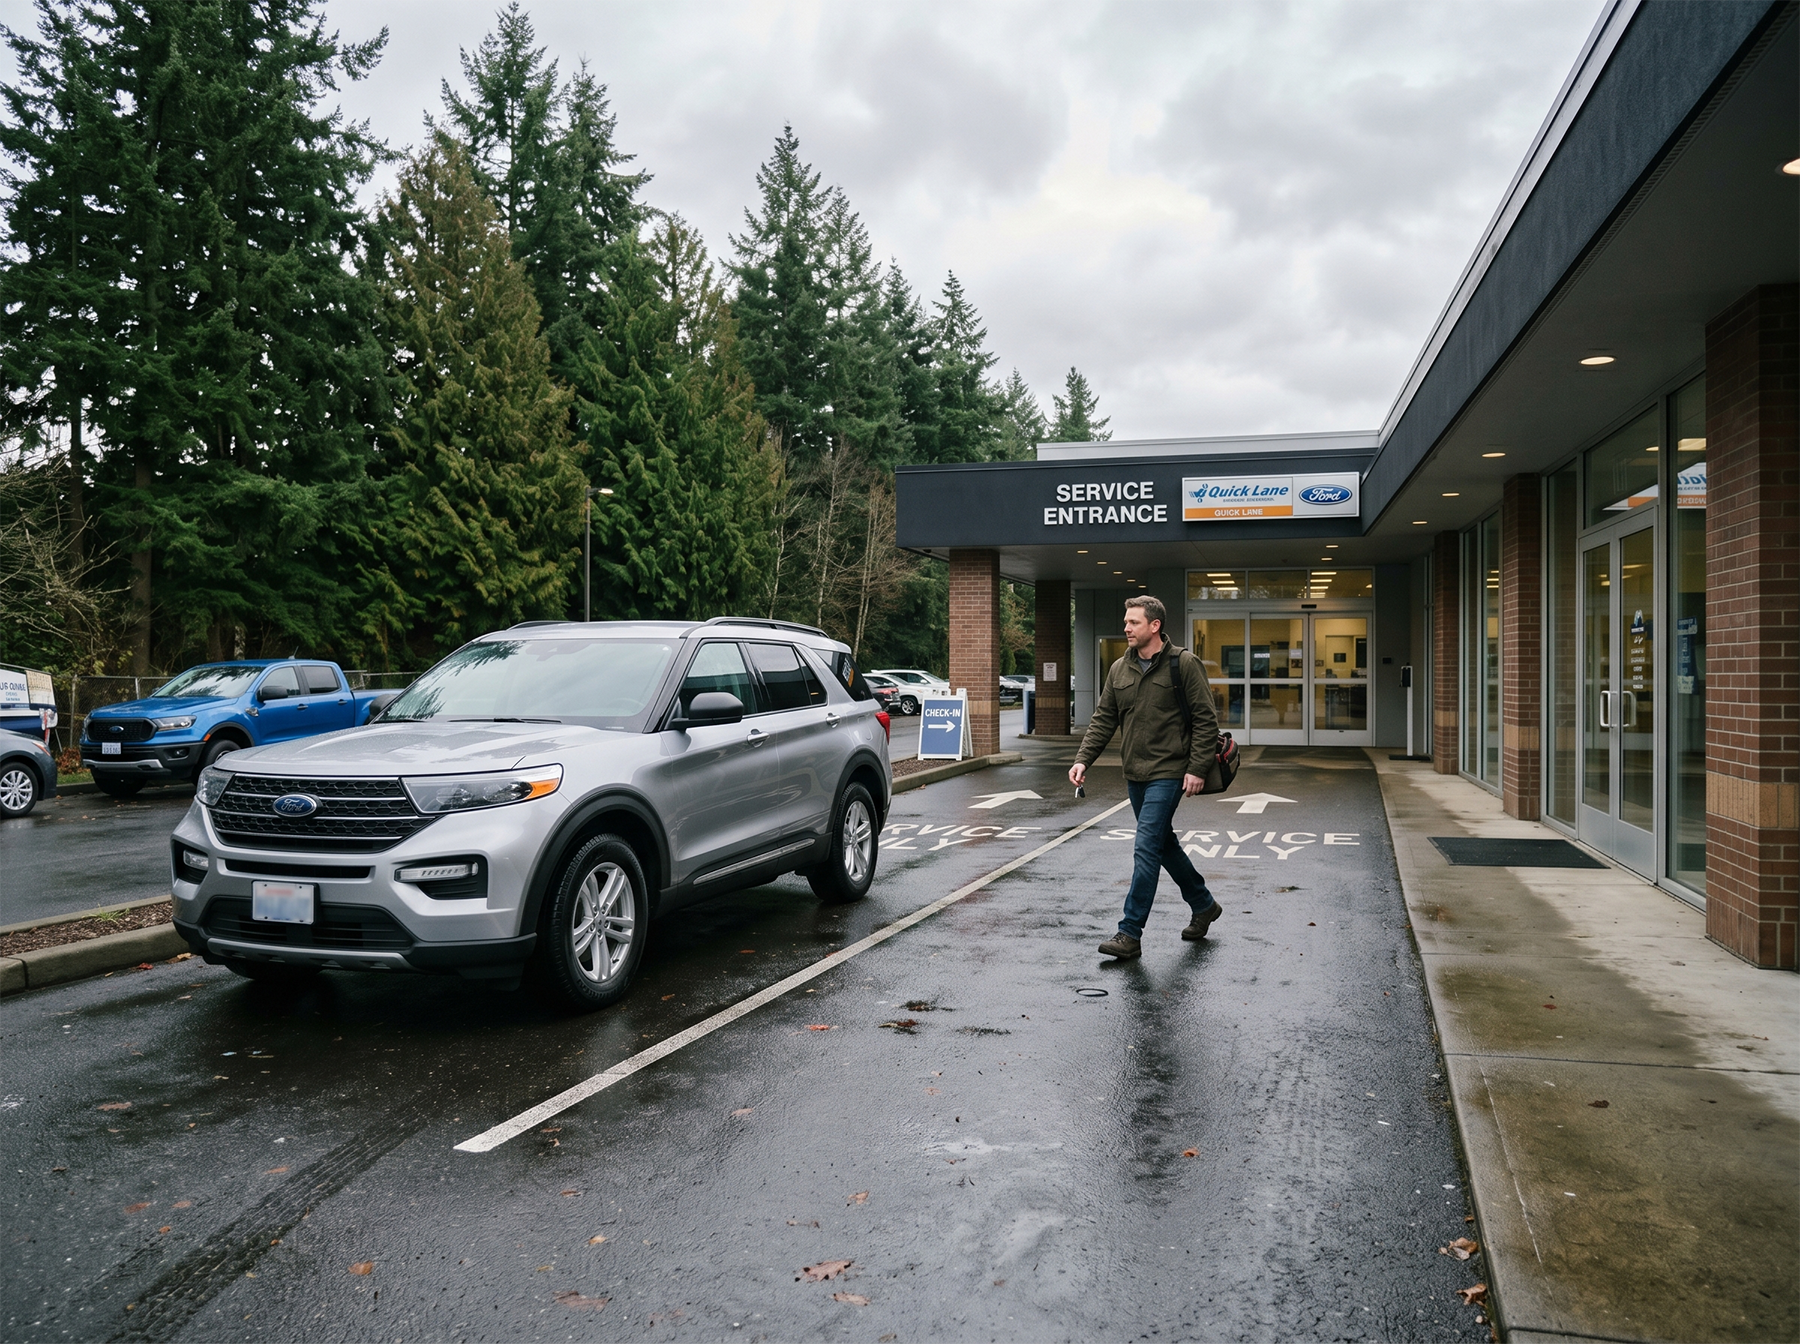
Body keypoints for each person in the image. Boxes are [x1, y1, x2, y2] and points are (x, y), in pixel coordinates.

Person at [1069, 595, 1224, 959]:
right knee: (1162, 844)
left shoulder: (1183, 664)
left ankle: (1130, 932)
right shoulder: (1119, 669)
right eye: (1126, 622)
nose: (1126, 628)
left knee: (1145, 847)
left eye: (1133, 622)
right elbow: (1104, 719)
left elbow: (1205, 720)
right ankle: (1204, 905)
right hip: (1135, 773)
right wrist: (1083, 760)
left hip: (1169, 772)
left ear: (1154, 626)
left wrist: (1197, 768)